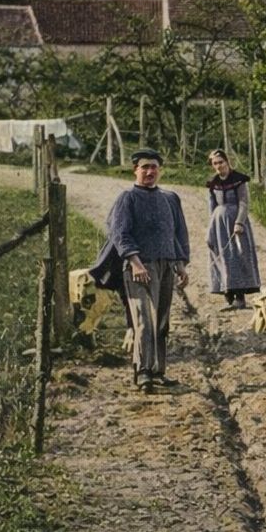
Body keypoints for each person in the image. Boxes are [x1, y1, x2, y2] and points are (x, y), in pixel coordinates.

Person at [94, 148, 190, 393]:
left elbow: (176, 234)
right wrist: (135, 263)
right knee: (144, 320)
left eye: (154, 167)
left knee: (162, 320)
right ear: (135, 170)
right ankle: (143, 371)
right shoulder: (128, 198)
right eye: (144, 167)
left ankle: (158, 370)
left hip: (166, 265)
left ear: (160, 170)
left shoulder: (170, 198)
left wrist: (180, 265)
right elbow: (120, 234)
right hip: (139, 267)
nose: (149, 172)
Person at [206, 148, 261, 310]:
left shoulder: (239, 180)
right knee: (221, 255)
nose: (218, 166)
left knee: (237, 255)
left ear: (227, 161)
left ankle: (240, 297)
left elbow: (244, 203)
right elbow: (211, 207)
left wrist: (239, 223)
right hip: (218, 225)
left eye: (221, 162)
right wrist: (209, 230)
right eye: (215, 164)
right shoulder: (213, 183)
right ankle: (227, 294)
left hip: (235, 223)